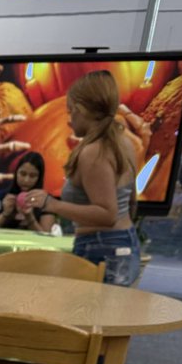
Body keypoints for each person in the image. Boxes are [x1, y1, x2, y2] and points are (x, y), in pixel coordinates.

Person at [22, 70, 145, 286]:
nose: (69, 121)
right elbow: (131, 202)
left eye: (70, 112)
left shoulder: (94, 152)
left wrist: (51, 204)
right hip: (121, 243)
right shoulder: (125, 142)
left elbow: (107, 214)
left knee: (88, 317)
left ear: (81, 110)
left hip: (101, 248)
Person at [0, 151, 56, 233]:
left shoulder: (46, 201)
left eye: (32, 176)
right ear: (16, 173)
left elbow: (47, 238)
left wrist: (30, 217)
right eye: (22, 174)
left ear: (39, 178)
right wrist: (5, 214)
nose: (26, 180)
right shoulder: (2, 196)